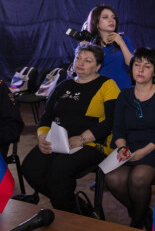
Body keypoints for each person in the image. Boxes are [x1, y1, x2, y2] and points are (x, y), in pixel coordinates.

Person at [23, 45, 119, 213]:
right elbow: (46, 116)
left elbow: (112, 121)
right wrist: (42, 136)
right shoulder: (63, 85)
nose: (80, 63)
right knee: (30, 167)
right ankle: (76, 207)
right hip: (58, 142)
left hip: (92, 143)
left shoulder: (107, 85)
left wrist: (82, 138)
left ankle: (70, 212)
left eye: (87, 60)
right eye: (78, 58)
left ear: (98, 66)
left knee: (60, 168)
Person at [104, 48, 155, 230]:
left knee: (138, 178)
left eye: (147, 66)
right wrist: (122, 148)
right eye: (137, 65)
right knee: (112, 178)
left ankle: (136, 223)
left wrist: (144, 151)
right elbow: (118, 128)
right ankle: (143, 213)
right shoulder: (124, 95)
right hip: (129, 145)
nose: (141, 70)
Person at [83, 4, 135, 89]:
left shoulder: (124, 40)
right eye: (105, 17)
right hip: (99, 91)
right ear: (96, 23)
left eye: (113, 17)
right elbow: (84, 72)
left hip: (123, 90)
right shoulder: (90, 45)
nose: (111, 20)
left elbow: (132, 66)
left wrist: (121, 43)